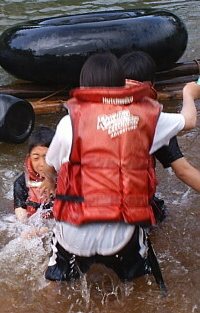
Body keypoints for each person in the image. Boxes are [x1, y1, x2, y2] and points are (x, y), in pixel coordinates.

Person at [40, 52, 199, 294]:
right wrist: (188, 93)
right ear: (120, 85)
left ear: (83, 87)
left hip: (72, 234)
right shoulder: (145, 119)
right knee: (138, 288)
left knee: (57, 288)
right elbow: (189, 121)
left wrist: (51, 182)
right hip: (121, 238)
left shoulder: (68, 123)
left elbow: (52, 166)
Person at [119, 50, 200, 192]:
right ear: (152, 84)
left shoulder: (85, 116)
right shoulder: (154, 121)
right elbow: (183, 172)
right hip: (128, 207)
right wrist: (188, 93)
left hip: (85, 205)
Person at [14, 126, 55, 223]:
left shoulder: (66, 178)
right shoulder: (21, 183)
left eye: (47, 157)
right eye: (36, 158)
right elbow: (21, 217)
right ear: (30, 157)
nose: (42, 164)